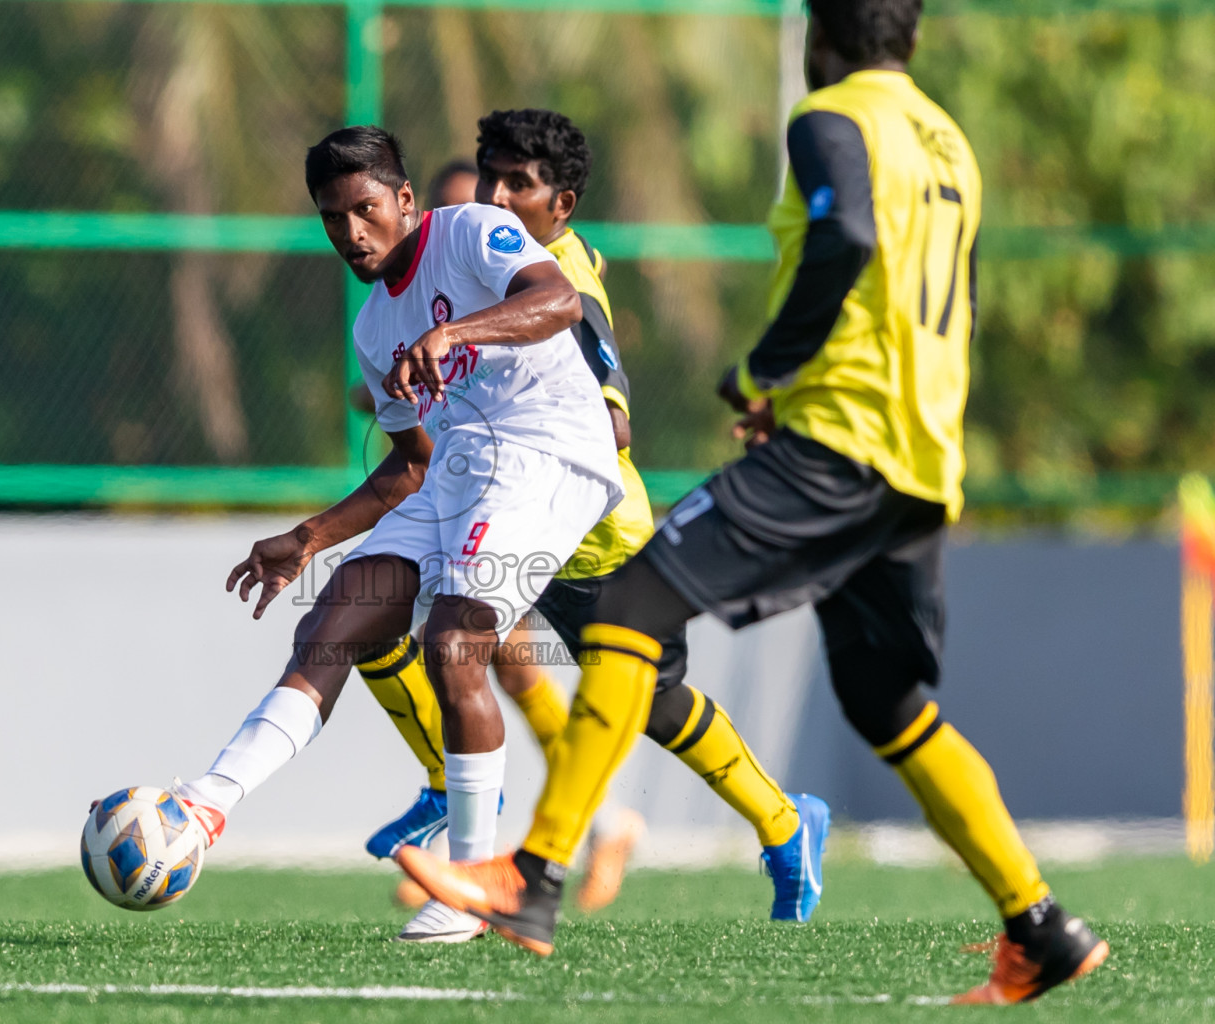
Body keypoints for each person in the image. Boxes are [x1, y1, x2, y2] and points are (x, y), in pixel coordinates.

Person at [397, 1, 1111, 1004]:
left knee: (636, 609)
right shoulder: (947, 138)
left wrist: (771, 371)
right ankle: (1039, 924)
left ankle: (533, 877)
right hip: (920, 458)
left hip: (839, 441)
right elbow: (960, 291)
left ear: (823, 34)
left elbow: (847, 235)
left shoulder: (831, 121)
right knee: (890, 704)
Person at [361, 110, 828, 922]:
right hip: (494, 506)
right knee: (390, 619)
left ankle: (785, 825)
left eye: (521, 184)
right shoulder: (478, 254)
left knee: (654, 703)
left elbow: (613, 425)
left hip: (582, 529)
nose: (497, 197)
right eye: (490, 176)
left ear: (562, 203)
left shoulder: (565, 281)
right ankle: (452, 792)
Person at [172, 125, 625, 945]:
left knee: (456, 645)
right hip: (458, 468)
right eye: (332, 218)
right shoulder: (374, 331)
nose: (351, 232)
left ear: (406, 201)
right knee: (332, 616)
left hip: (551, 450)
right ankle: (207, 805)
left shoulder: (467, 229)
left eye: (365, 209)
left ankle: (469, 890)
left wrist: (458, 331)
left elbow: (558, 301)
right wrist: (309, 537)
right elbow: (408, 468)